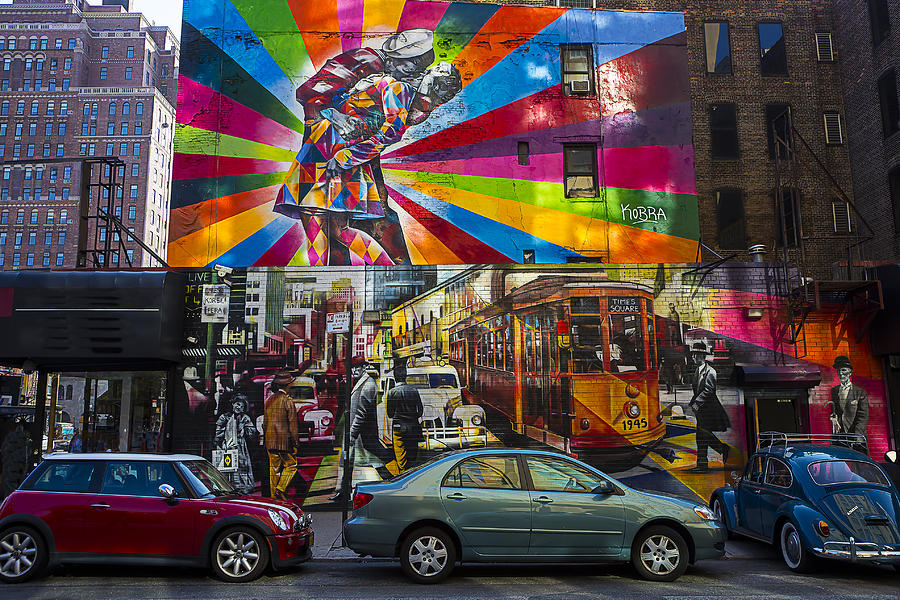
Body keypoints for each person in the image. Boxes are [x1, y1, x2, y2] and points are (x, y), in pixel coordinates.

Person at [274, 61, 463, 266]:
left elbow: (390, 133)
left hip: (331, 146)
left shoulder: (400, 89)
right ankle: (386, 269)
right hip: (346, 151)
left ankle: (317, 285)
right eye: (437, 81)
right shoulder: (408, 98)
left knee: (315, 219)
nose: (434, 88)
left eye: (441, 86)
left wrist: (343, 157)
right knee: (339, 230)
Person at [295, 29, 435, 123]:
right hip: (327, 141)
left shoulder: (386, 73)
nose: (415, 73)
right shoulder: (367, 60)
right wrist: (336, 118)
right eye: (416, 67)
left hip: (352, 150)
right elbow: (309, 92)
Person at [687, 342, 730, 473]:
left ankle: (703, 465)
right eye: (693, 355)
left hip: (709, 409)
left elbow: (708, 390)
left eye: (695, 355)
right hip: (701, 410)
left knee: (701, 436)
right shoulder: (697, 371)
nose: (693, 357)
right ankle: (722, 449)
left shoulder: (711, 372)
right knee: (703, 435)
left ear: (701, 356)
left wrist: (696, 403)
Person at [349, 360, 395, 480]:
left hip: (363, 433)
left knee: (372, 461)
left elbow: (361, 413)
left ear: (364, 367)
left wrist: (352, 433)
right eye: (352, 367)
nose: (353, 370)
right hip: (361, 434)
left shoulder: (368, 384)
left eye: (356, 367)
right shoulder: (360, 382)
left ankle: (390, 479)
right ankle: (342, 489)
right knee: (371, 462)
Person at [264, 372, 299, 500]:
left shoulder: (268, 400)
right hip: (284, 442)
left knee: (273, 469)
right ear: (287, 385)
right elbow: (293, 426)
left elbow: (265, 423)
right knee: (291, 466)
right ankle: (281, 489)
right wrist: (295, 443)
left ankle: (275, 498)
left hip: (270, 441)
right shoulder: (288, 401)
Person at [215, 393, 258, 494]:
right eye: (237, 404)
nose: (239, 407)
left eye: (242, 406)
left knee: (241, 466)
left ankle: (242, 488)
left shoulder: (245, 418)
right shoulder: (224, 417)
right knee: (227, 467)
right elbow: (218, 433)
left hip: (240, 447)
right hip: (227, 447)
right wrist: (220, 444)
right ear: (233, 404)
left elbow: (252, 433)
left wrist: (245, 429)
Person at [386, 357, 423, 471]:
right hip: (413, 425)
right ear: (405, 376)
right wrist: (413, 417)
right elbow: (420, 410)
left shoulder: (392, 392)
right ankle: (411, 473)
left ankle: (403, 473)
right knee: (412, 453)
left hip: (398, 426)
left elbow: (390, 414)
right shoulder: (414, 390)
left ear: (395, 377)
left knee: (400, 454)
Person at [829, 355, 868, 437]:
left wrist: (857, 436)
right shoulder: (834, 391)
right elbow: (835, 411)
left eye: (843, 370)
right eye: (838, 370)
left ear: (850, 373)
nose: (840, 373)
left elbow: (863, 417)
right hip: (840, 437)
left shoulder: (860, 392)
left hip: (855, 437)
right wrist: (833, 418)